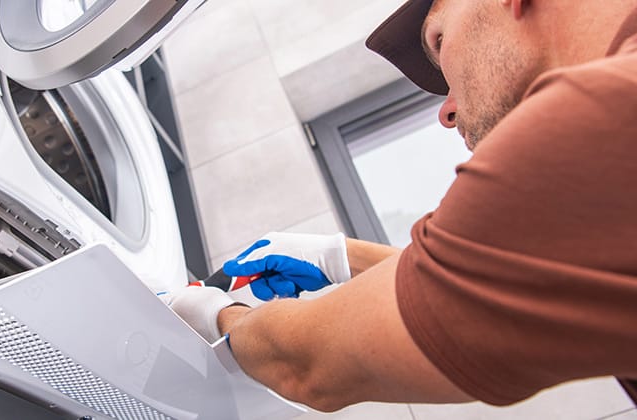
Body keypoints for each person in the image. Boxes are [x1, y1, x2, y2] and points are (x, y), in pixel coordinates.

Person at [161, 0, 637, 412]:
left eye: (439, 37)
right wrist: (341, 257)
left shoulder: (593, 125)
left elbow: (307, 367)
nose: (446, 111)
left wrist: (213, 314)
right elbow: (520, 284)